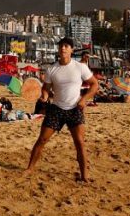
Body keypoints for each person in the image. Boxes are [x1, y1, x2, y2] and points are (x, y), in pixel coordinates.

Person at [25, 38, 99, 181]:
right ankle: (29, 169)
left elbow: (95, 85)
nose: (63, 49)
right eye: (61, 46)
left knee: (79, 142)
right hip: (56, 109)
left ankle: (84, 176)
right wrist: (45, 97)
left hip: (75, 109)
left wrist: (84, 99)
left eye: (66, 46)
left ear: (71, 49)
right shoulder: (52, 69)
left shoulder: (80, 67)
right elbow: (46, 89)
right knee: (42, 140)